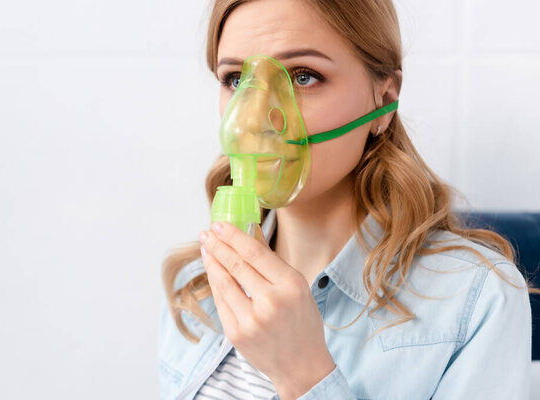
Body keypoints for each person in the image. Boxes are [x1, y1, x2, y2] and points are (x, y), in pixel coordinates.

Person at [158, 0, 538, 399]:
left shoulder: (477, 302)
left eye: (303, 76)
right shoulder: (197, 290)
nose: (253, 120)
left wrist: (304, 376)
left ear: (383, 98)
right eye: (236, 80)